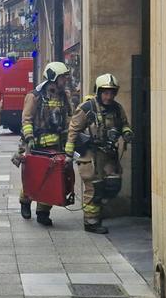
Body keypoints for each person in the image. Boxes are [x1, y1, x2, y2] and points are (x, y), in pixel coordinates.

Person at [65, 73, 134, 234]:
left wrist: (127, 132)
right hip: (90, 155)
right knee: (94, 188)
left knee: (113, 185)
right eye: (105, 92)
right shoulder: (87, 109)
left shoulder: (117, 108)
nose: (109, 96)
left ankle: (98, 210)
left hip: (109, 155)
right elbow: (73, 130)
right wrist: (69, 154)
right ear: (98, 91)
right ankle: (91, 222)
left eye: (111, 93)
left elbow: (124, 124)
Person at [18, 61, 73, 225]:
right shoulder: (35, 96)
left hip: (56, 146)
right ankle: (25, 201)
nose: (65, 81)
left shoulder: (64, 96)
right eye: (63, 77)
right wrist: (29, 138)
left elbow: (69, 117)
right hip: (36, 145)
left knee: (52, 178)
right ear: (53, 77)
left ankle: (43, 212)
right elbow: (26, 119)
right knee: (33, 177)